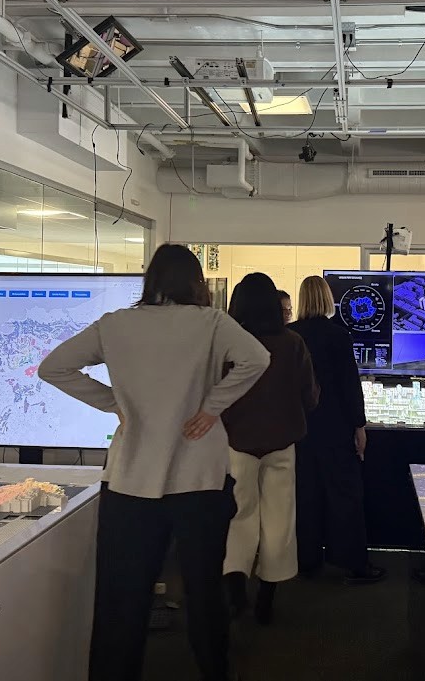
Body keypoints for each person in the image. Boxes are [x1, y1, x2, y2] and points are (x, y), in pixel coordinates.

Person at [38, 244, 270, 681]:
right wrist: (213, 405)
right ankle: (214, 672)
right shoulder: (211, 323)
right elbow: (258, 359)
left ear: (151, 281)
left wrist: (113, 403)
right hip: (200, 480)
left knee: (122, 601)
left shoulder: (116, 325)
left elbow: (54, 368)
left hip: (130, 483)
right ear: (195, 282)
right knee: (204, 595)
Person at [222, 273, 319, 625]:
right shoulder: (291, 342)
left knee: (238, 515)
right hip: (282, 441)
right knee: (279, 519)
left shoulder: (227, 342)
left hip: (236, 442)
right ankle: (267, 596)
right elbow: (309, 394)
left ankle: (234, 589)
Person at [289, 276, 386, 584]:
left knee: (305, 496)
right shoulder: (338, 336)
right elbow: (349, 385)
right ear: (328, 299)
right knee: (345, 497)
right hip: (335, 427)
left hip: (300, 429)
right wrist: (359, 425)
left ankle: (307, 561)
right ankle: (353, 562)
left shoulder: (291, 335)